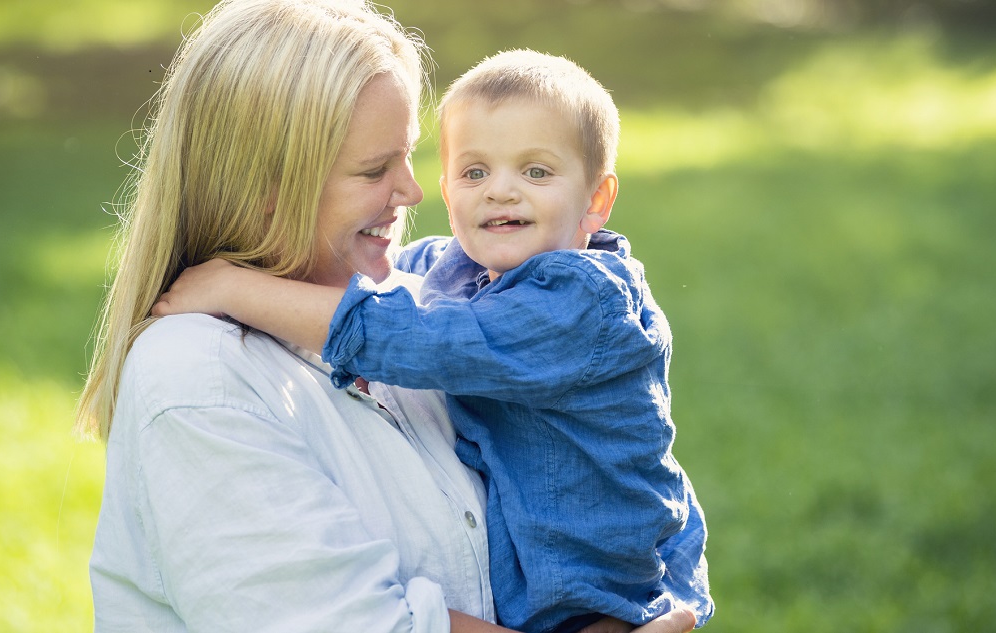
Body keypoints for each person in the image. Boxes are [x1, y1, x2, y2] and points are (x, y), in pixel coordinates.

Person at [78, 0, 700, 631]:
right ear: (268, 190)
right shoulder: (201, 377)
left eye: (409, 156)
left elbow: (634, 473)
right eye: (376, 169)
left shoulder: (434, 308)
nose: (413, 191)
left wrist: (663, 602)